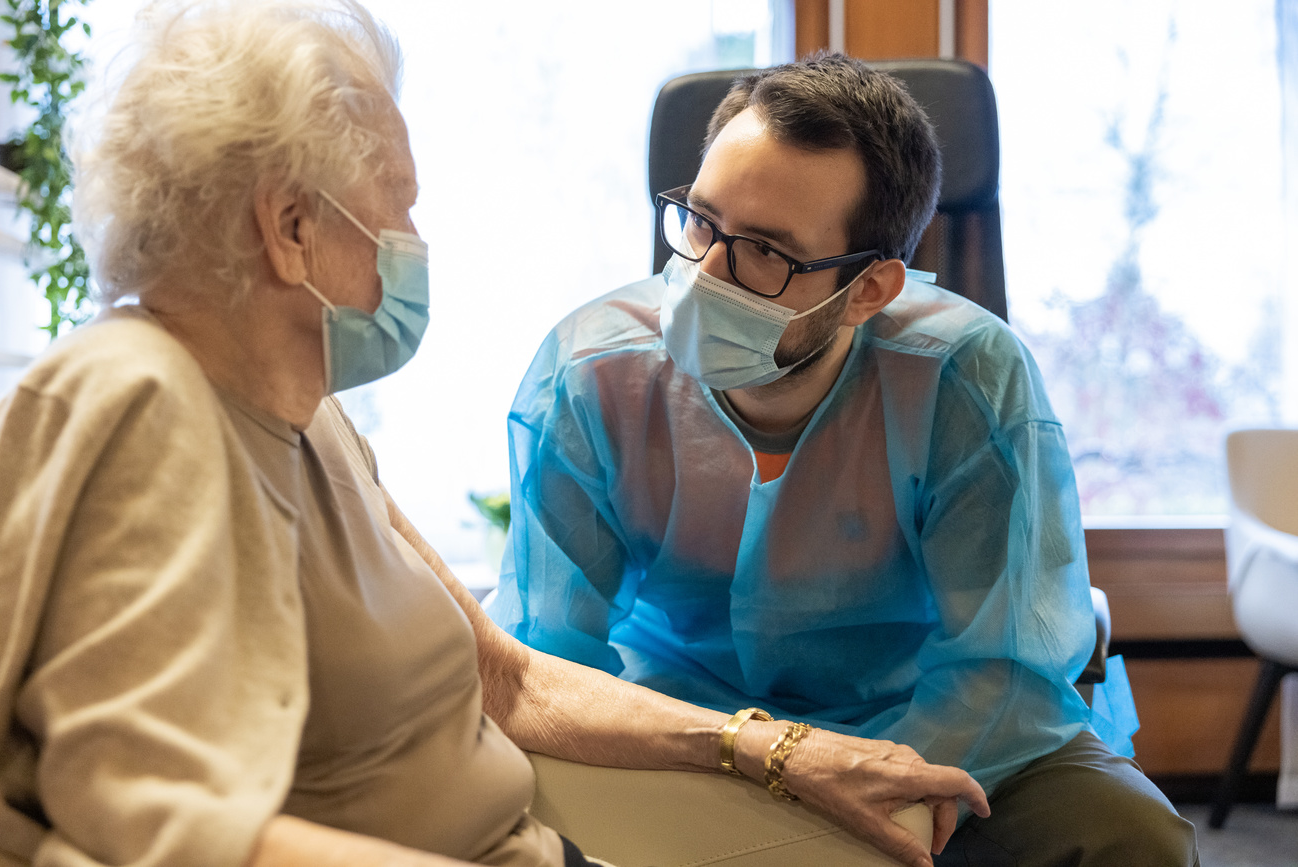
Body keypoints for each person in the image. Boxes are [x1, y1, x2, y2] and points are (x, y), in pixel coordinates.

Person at [0, 5, 991, 867]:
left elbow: (504, 676)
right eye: (399, 200)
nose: (415, 240)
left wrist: (765, 747)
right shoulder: (139, 402)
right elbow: (157, 831)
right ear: (292, 225)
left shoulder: (308, 411)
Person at [489, 54, 1200, 866]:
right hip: (679, 727)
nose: (702, 276)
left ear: (867, 290)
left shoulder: (967, 378)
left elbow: (998, 674)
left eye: (765, 253)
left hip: (916, 721)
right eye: (700, 221)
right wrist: (752, 761)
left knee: (1129, 836)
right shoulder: (588, 374)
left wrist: (866, 792)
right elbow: (546, 662)